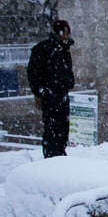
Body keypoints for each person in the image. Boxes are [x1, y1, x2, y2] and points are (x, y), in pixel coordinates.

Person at [26, 19, 76, 158]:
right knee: (52, 127)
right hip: (50, 94)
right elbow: (33, 72)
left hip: (61, 93)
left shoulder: (63, 49)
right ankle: (52, 155)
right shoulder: (44, 49)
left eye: (67, 33)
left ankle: (59, 152)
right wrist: (39, 92)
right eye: (64, 33)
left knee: (63, 126)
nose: (67, 36)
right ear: (58, 33)